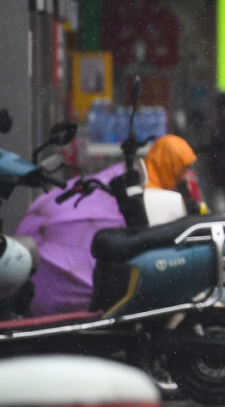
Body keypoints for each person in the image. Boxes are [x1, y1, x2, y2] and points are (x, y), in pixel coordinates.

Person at [16, 134, 199, 316]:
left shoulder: (135, 175)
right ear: (170, 163)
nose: (186, 175)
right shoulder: (150, 195)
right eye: (183, 167)